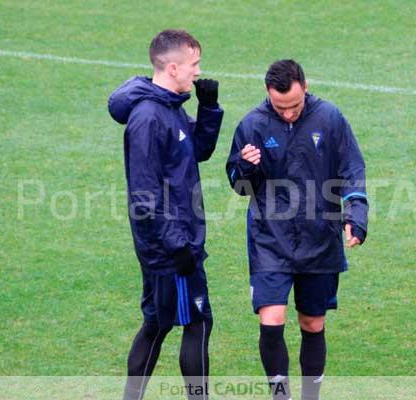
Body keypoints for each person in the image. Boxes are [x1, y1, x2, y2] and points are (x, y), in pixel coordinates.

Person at [225, 59, 368, 400]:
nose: (288, 113)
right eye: (280, 107)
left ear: (305, 86)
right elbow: (240, 186)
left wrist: (356, 214)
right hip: (269, 238)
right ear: (267, 94)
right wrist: (245, 167)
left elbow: (352, 169)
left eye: (294, 105)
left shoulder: (330, 119)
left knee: (312, 324)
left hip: (319, 237)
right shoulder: (253, 124)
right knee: (271, 321)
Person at [108, 29, 224, 400]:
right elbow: (144, 194)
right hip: (171, 246)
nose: (198, 71)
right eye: (194, 65)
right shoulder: (148, 118)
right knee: (197, 322)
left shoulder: (170, 107)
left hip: (175, 240)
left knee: (157, 323)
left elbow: (197, 151)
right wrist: (179, 247)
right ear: (172, 67)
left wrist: (208, 109)